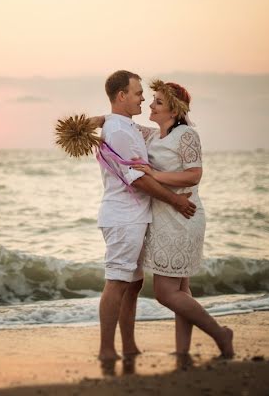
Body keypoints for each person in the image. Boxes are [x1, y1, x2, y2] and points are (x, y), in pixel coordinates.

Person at [95, 71, 197, 362]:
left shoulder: (125, 126)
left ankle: (128, 345)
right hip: (124, 216)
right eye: (138, 93)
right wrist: (175, 200)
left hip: (136, 215)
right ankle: (106, 348)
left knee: (133, 283)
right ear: (121, 96)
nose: (143, 98)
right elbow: (136, 179)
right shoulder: (119, 131)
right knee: (117, 281)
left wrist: (98, 118)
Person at [132, 80, 234, 358]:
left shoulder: (187, 134)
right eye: (152, 99)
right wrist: (93, 122)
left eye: (158, 102)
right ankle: (183, 351)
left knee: (166, 293)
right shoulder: (153, 136)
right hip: (165, 216)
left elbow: (194, 174)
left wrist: (154, 175)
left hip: (184, 216)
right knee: (181, 289)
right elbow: (121, 125)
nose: (151, 105)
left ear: (174, 111)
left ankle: (220, 333)